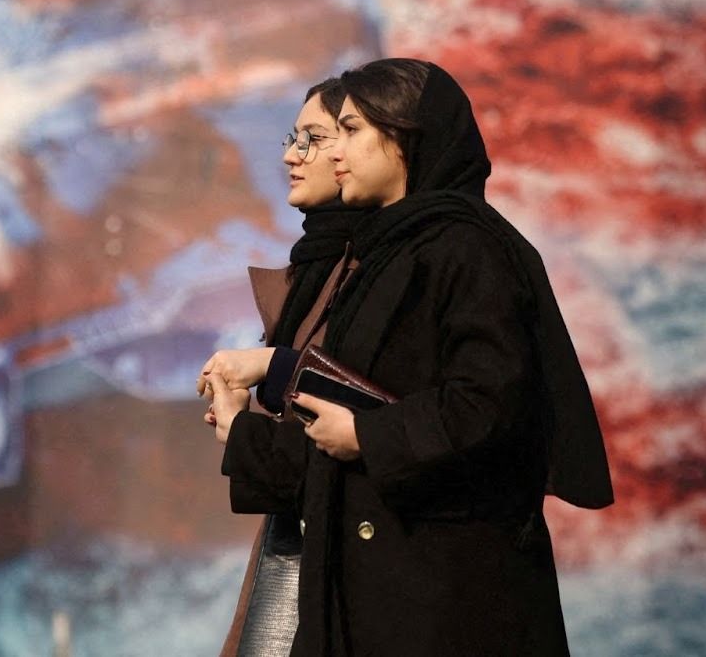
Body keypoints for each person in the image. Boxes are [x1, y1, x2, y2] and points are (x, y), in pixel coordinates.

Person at [207, 58, 612, 656]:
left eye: (349, 132)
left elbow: (491, 404)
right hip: (381, 582)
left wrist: (369, 435)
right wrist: (246, 425)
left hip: (446, 596)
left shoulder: (468, 248)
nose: (330, 152)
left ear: (404, 142)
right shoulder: (387, 256)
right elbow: (358, 407)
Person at [199, 77, 364, 657]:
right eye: (297, 136)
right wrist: (240, 424)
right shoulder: (315, 271)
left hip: (351, 576)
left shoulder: (372, 275)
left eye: (320, 137)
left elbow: (364, 438)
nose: (291, 155)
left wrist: (246, 425)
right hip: (296, 546)